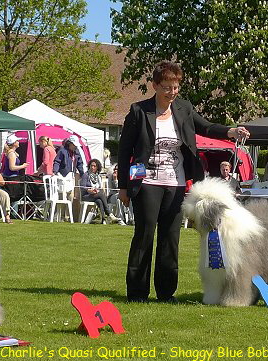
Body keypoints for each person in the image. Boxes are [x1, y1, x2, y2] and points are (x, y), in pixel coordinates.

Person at [117, 60, 249, 303]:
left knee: (171, 238)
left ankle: (166, 293)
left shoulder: (184, 109)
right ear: (155, 86)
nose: (172, 92)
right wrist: (123, 186)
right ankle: (137, 293)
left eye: (175, 87)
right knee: (144, 236)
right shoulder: (139, 111)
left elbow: (206, 127)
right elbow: (125, 151)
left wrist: (231, 132)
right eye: (167, 87)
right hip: (146, 183)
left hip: (176, 184)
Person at [80, 159, 122, 224]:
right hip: (86, 196)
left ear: (97, 167)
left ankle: (103, 220)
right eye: (91, 166)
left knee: (99, 201)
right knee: (101, 194)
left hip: (96, 196)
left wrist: (97, 190)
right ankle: (109, 214)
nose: (92, 167)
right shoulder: (86, 175)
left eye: (94, 166)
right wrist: (89, 190)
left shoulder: (98, 176)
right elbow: (82, 187)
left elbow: (100, 188)